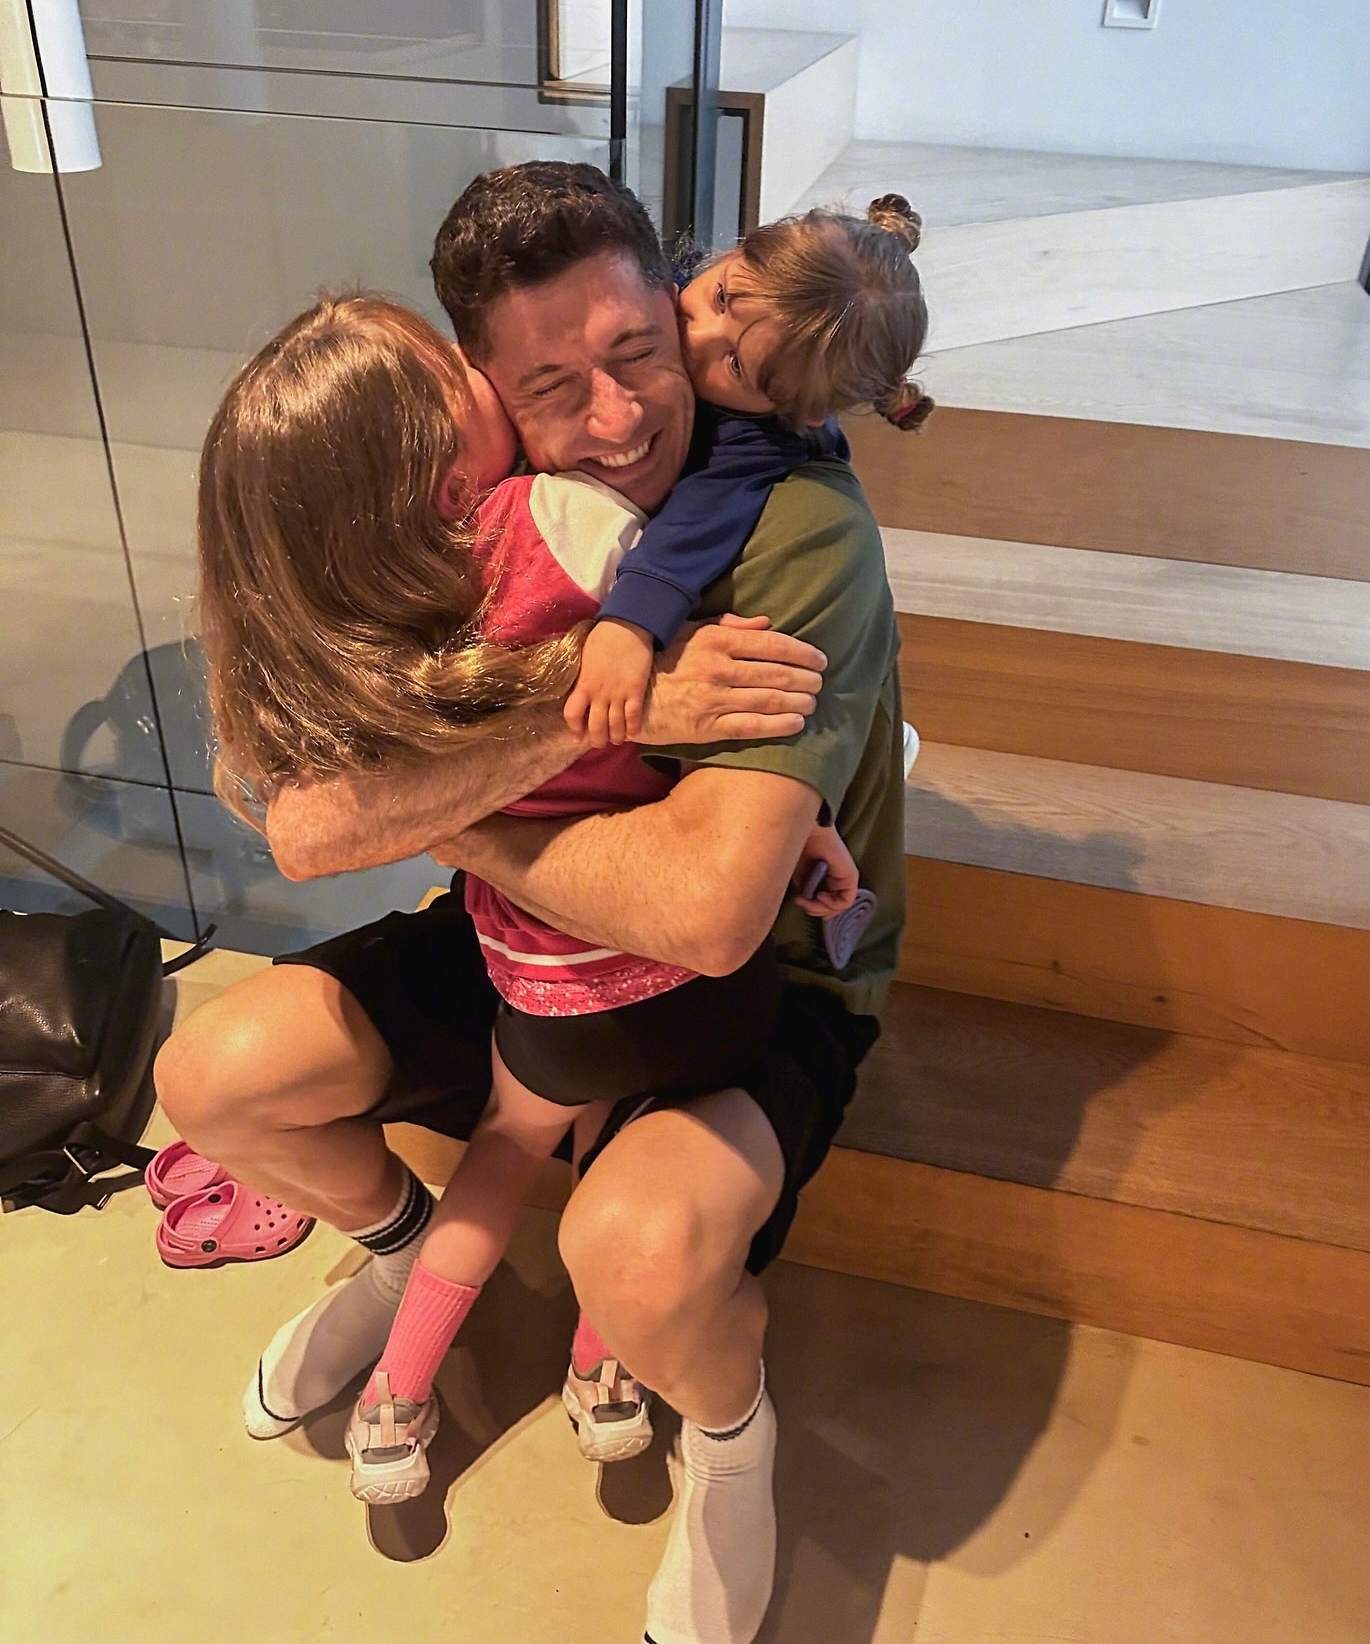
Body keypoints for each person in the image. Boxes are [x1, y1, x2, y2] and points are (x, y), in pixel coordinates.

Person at [156, 160, 909, 1644]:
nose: (616, 417)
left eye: (638, 351)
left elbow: (705, 909)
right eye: (554, 385)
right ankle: (399, 1254)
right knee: (215, 1076)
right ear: (483, 396)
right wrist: (588, 718)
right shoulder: (474, 507)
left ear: (682, 307)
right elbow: (304, 824)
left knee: (631, 1251)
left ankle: (732, 1434)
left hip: (758, 974)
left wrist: (438, 804)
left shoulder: (793, 526)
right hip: (528, 945)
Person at [566, 191, 932, 750]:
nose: (696, 334)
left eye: (735, 364)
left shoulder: (760, 443)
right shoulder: (677, 286)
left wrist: (628, 625)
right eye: (721, 297)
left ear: (802, 412)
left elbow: (692, 526)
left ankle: (880, 745)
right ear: (739, 250)